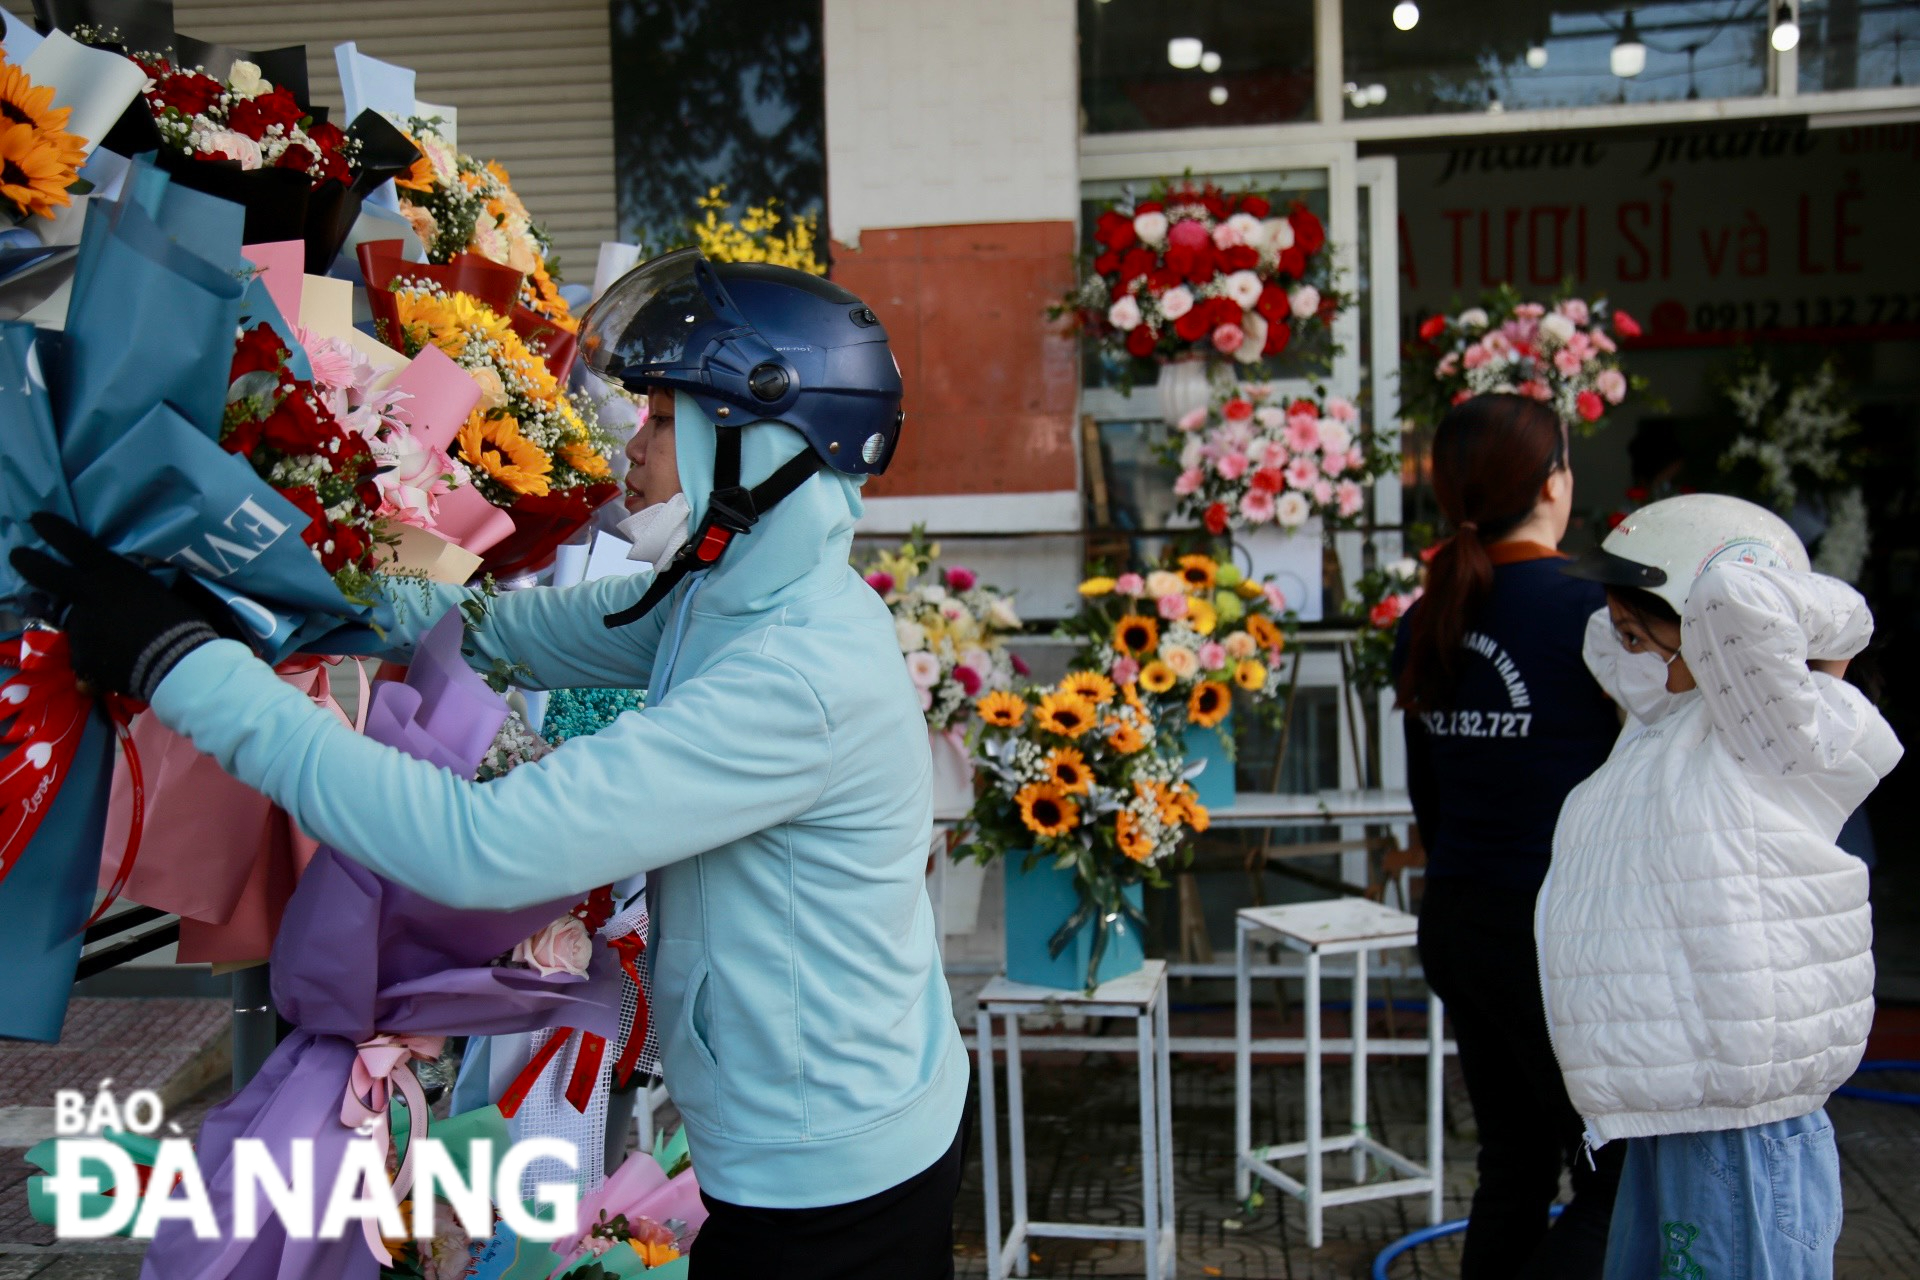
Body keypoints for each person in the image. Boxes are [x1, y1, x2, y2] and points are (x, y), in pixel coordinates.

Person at [12, 250, 968, 1280]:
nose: (629, 450)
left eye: (660, 420)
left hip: (832, 1188)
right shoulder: (734, 594)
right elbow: (511, 630)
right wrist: (282, 584)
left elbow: (481, 847)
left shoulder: (793, 676)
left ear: (757, 447)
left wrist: (180, 665)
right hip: (817, 1135)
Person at [1553, 493, 1903, 1280]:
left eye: (1647, 636)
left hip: (1741, 1123)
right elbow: (1608, 643)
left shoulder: (1782, 737)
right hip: (1681, 1104)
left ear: (1710, 636)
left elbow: (1735, 598)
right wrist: (1643, 605)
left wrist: (1734, 566)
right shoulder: (1673, 720)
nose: (1630, 656)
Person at [1392, 394, 1624, 1280]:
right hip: (1557, 933)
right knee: (1617, 1177)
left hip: (1459, 920)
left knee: (1516, 1166)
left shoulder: (1429, 616)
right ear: (1553, 483)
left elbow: (1430, 801)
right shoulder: (1599, 613)